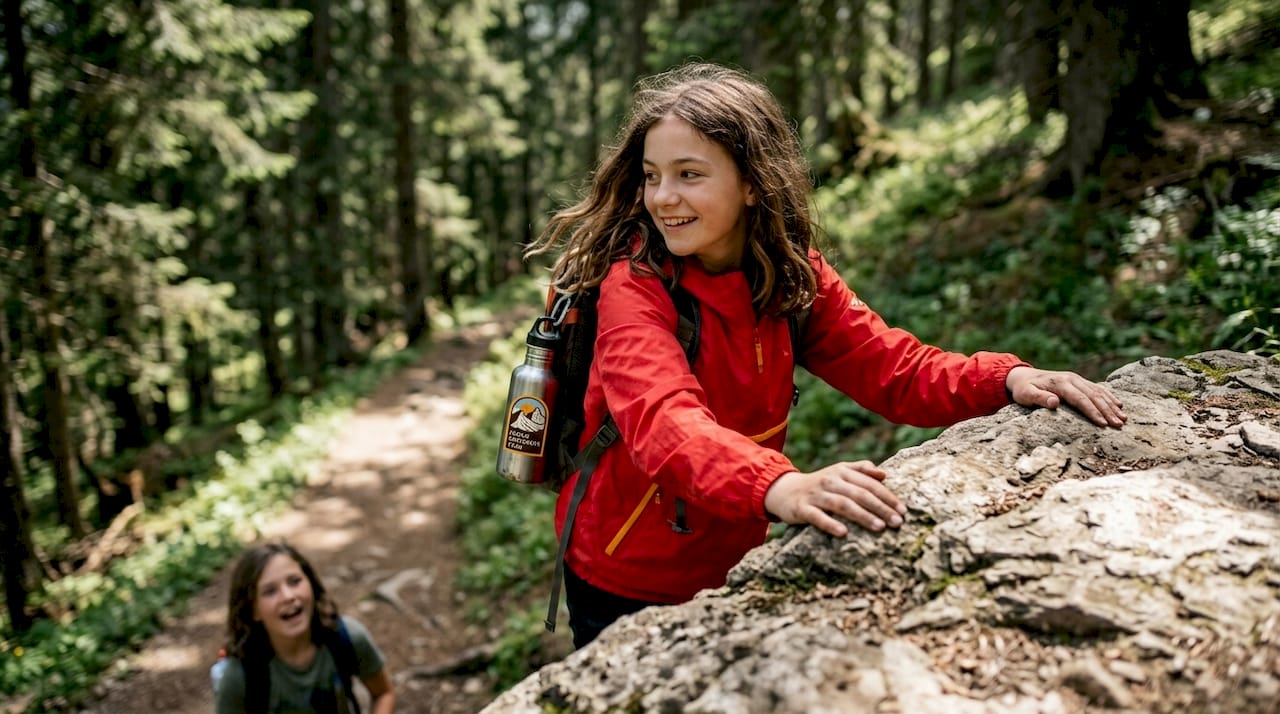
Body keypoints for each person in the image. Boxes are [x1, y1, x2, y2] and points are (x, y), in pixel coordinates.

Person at [524, 62, 1128, 650]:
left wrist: (1007, 377)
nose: (662, 198)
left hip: (733, 552)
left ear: (753, 183)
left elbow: (892, 368)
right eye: (652, 175)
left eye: (689, 174)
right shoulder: (634, 283)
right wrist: (780, 485)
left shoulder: (787, 273)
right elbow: (662, 422)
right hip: (624, 572)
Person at [214, 541, 395, 714]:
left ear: (311, 586)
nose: (288, 596)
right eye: (270, 591)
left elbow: (383, 693)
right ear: (253, 611)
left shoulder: (347, 638)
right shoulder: (239, 677)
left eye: (294, 581)